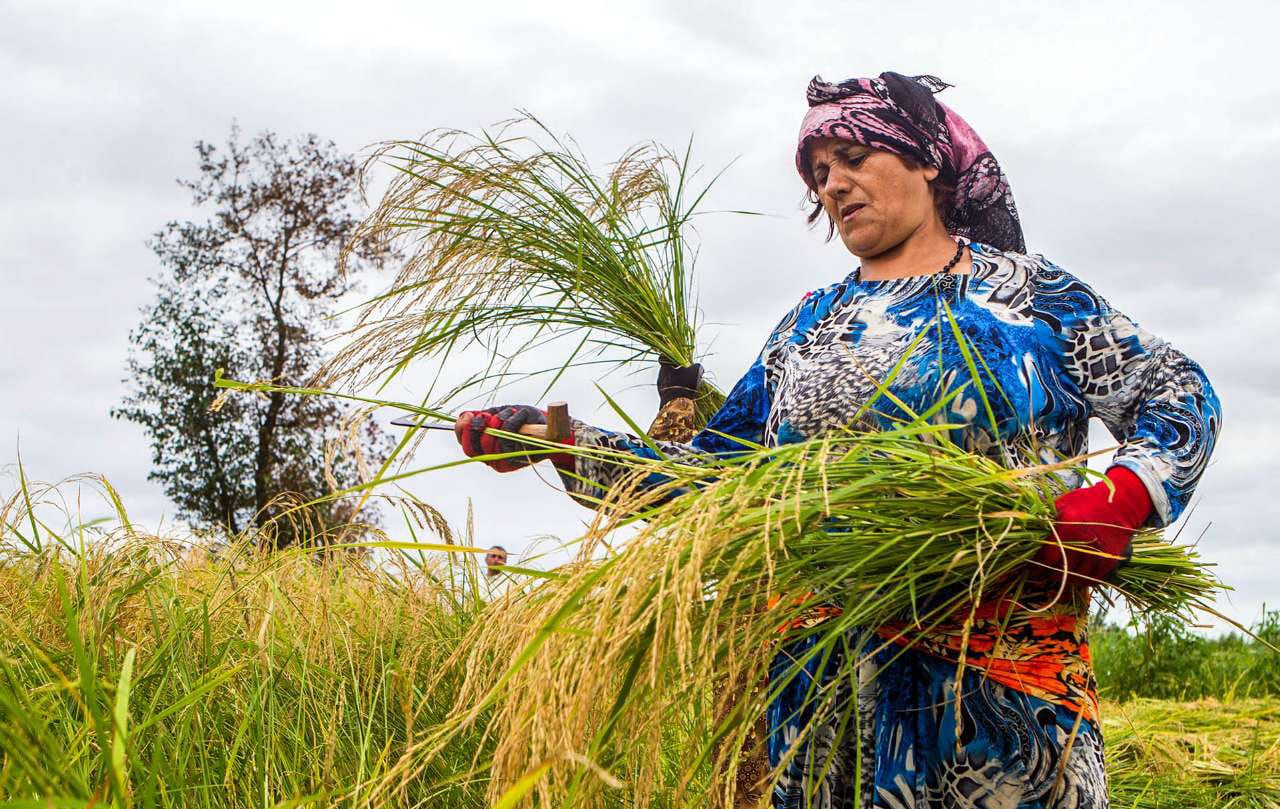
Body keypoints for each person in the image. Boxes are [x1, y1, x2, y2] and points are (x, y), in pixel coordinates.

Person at [453, 72, 1221, 808]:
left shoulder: (1032, 295)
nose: (832, 184)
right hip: (827, 703)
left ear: (925, 160)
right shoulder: (806, 326)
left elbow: (1178, 393)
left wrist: (1117, 500)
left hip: (1000, 703)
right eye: (819, 172)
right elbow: (714, 482)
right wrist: (564, 444)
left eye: (853, 157)